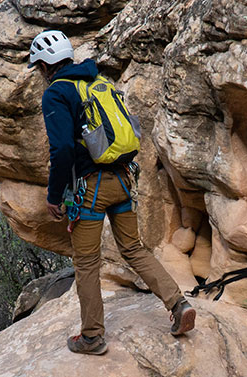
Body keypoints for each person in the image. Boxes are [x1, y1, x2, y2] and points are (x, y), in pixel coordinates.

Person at [29, 29, 196, 355]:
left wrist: (54, 195)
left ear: (46, 66)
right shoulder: (96, 83)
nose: (38, 74)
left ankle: (92, 337)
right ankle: (178, 305)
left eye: (38, 68)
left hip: (90, 189)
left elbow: (62, 150)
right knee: (133, 249)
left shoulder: (57, 93)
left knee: (87, 263)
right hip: (122, 181)